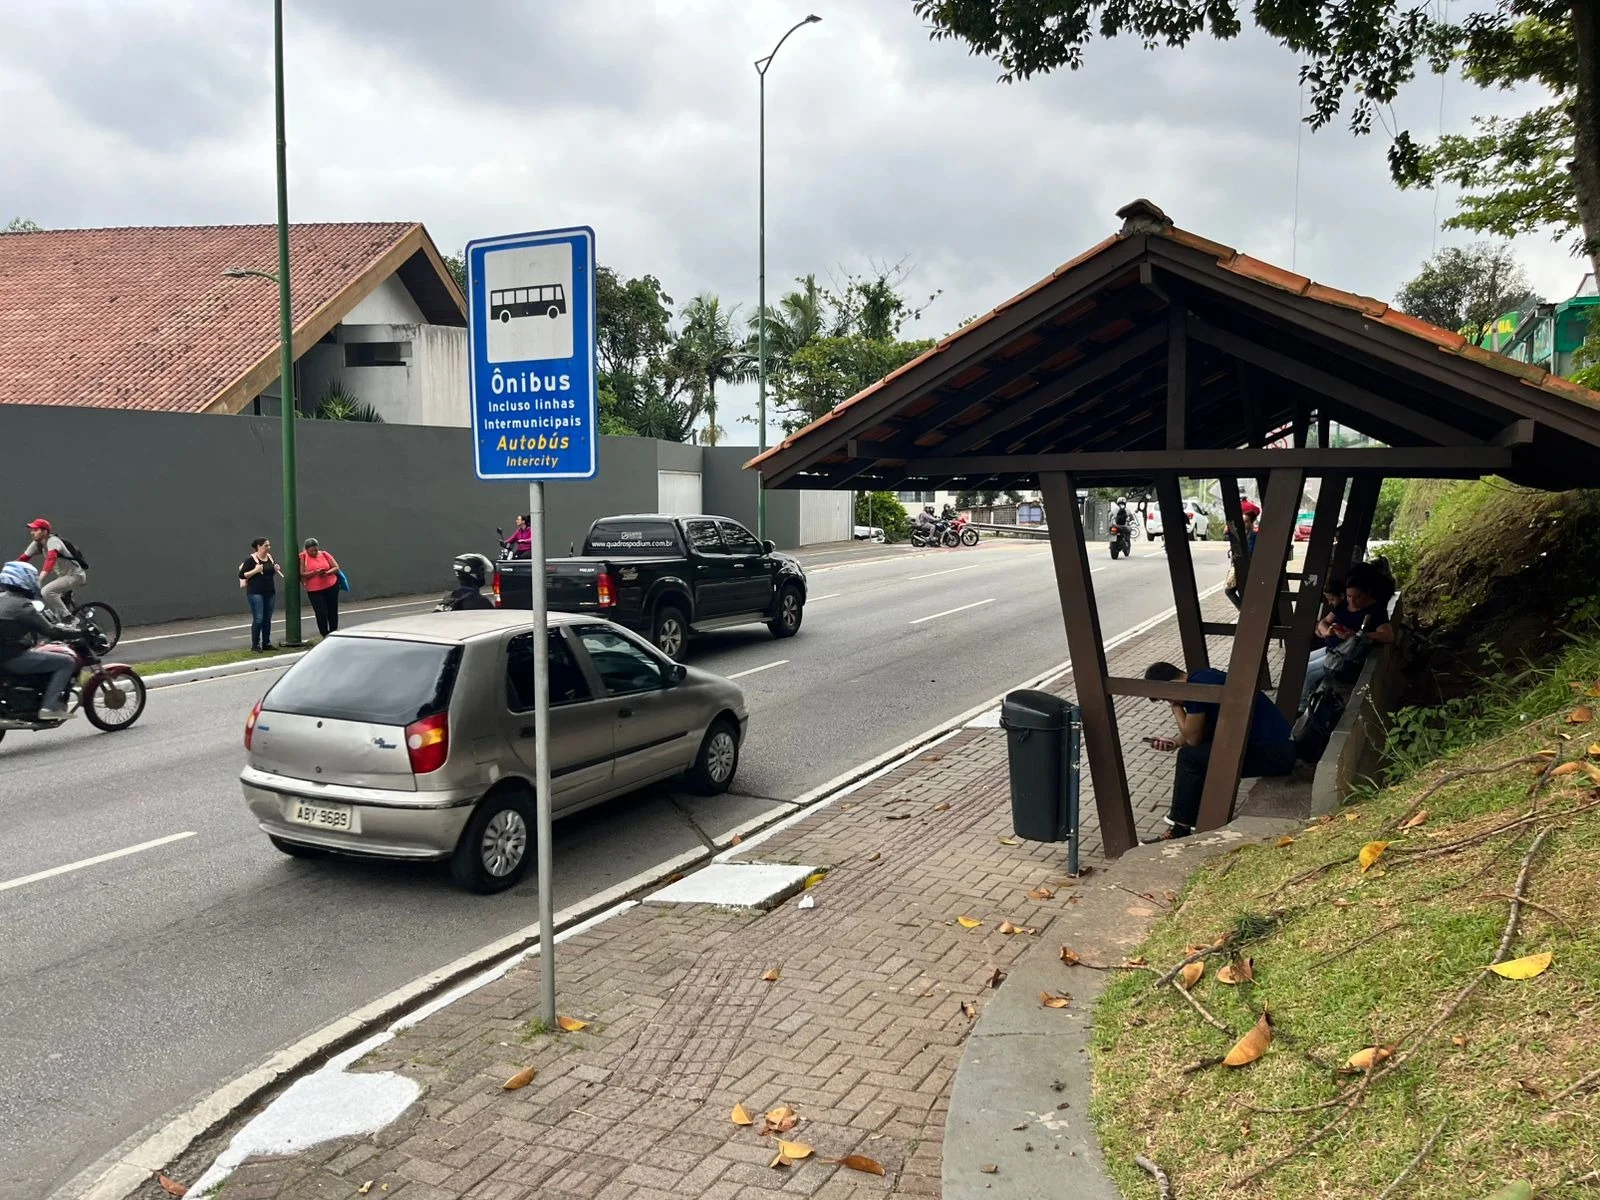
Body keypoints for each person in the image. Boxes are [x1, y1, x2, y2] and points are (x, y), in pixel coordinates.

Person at [1143, 659, 1297, 839]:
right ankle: (1187, 822)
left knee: (1189, 757)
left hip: (1275, 755)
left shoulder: (1196, 689)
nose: (1170, 701)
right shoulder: (1204, 676)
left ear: (1171, 686)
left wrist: (1175, 707)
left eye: (1166, 697)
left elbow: (1192, 739)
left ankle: (1181, 826)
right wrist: (1175, 741)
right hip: (1281, 748)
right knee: (1198, 755)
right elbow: (1198, 732)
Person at [1300, 560, 1395, 707]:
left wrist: (1358, 635)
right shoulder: (1344, 605)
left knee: (1306, 672)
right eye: (1349, 596)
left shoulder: (1375, 610)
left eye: (1357, 597)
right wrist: (1327, 632)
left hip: (1344, 656)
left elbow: (1387, 635)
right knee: (1301, 660)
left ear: (1367, 593)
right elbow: (1324, 622)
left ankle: (1302, 707)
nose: (1352, 601)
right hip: (1331, 648)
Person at [0, 560, 78, 721]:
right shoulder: (22, 606)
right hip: (11, 657)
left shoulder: (2, 599)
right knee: (66, 662)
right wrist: (77, 632)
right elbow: (51, 631)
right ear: (24, 580)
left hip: (5, 655)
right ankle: (49, 707)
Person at [17, 518, 88, 620]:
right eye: (32, 530)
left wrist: (39, 579)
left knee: (47, 592)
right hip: (63, 577)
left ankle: (69, 618)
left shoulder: (53, 541)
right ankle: (63, 625)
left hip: (75, 576)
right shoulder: (38, 543)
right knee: (57, 609)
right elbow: (23, 559)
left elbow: (51, 559)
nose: (32, 532)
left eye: (36, 530)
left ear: (45, 531)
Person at [238, 537, 283, 652]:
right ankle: (255, 644)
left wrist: (275, 569)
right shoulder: (250, 559)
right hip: (255, 592)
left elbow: (269, 573)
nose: (268, 548)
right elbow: (242, 575)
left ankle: (266, 642)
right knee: (259, 618)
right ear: (258, 546)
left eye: (269, 545)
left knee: (267, 618)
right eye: (266, 545)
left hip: (269, 591)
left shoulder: (270, 557)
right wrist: (256, 570)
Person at [299, 538, 342, 638]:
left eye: (316, 550)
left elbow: (336, 567)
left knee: (332, 610)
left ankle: (333, 632)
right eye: (311, 551)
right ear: (306, 550)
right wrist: (315, 572)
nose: (314, 552)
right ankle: (324, 633)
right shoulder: (303, 557)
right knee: (321, 612)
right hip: (314, 590)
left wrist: (327, 572)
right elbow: (302, 573)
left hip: (331, 585)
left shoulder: (324, 554)